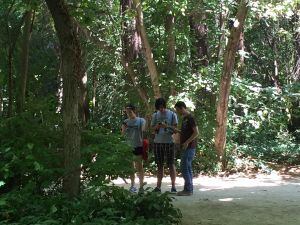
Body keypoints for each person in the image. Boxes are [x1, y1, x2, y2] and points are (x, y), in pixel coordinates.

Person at [151, 98, 178, 193]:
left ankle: (173, 186)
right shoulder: (155, 115)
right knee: (159, 165)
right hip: (158, 142)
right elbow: (152, 130)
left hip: (169, 142)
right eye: (159, 108)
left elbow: (175, 130)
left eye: (162, 107)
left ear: (165, 106)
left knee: (171, 164)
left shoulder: (172, 114)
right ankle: (158, 187)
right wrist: (157, 127)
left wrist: (167, 126)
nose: (161, 109)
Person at [174, 101, 199, 196]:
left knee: (184, 168)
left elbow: (196, 132)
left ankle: (188, 190)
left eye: (177, 110)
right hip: (185, 146)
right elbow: (185, 132)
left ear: (182, 108)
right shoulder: (185, 119)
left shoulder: (190, 118)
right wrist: (175, 129)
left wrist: (187, 143)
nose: (177, 112)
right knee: (187, 168)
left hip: (189, 147)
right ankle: (188, 189)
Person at [121, 104, 146, 193]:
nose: (128, 113)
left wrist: (142, 128)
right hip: (128, 147)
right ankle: (132, 185)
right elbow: (122, 134)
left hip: (138, 146)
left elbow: (143, 130)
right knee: (130, 167)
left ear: (134, 111)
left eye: (130, 112)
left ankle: (141, 186)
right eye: (127, 112)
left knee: (139, 166)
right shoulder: (125, 122)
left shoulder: (141, 120)